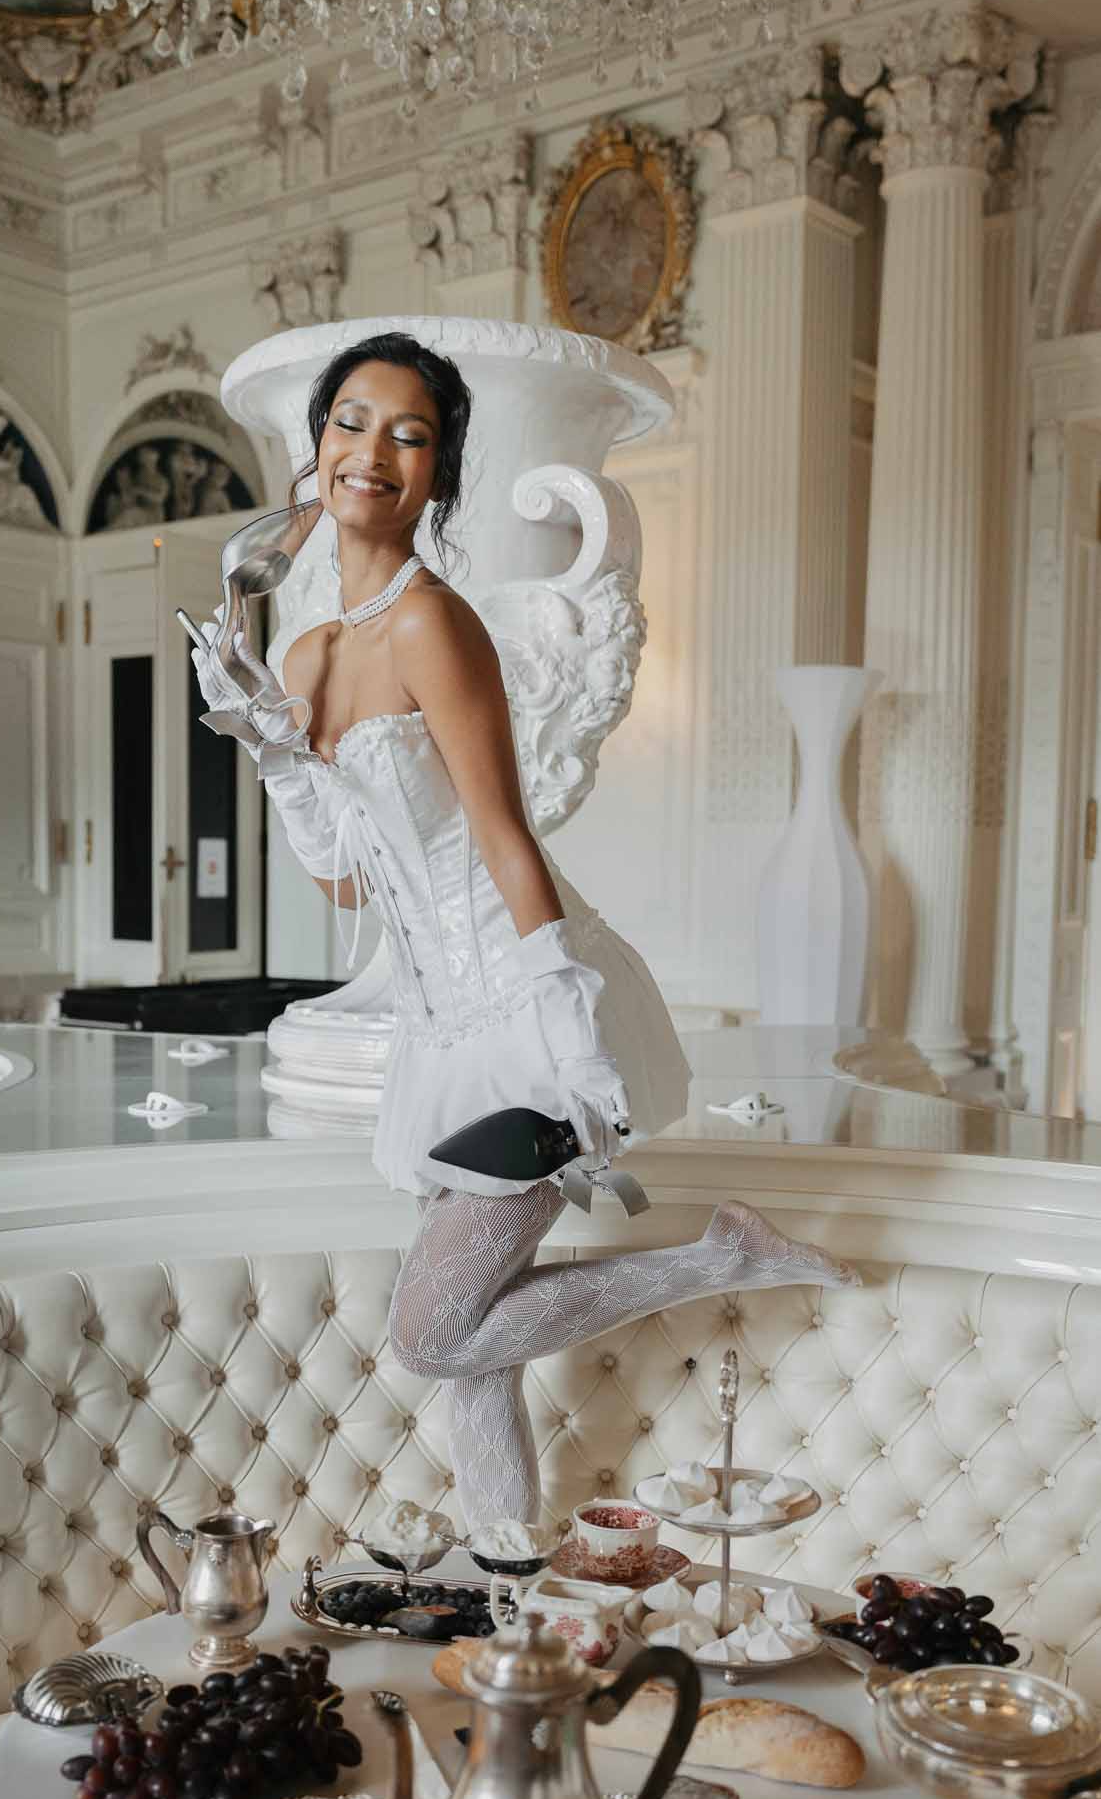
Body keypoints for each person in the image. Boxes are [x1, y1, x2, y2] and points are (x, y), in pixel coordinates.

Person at [193, 330, 859, 1531]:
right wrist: (273, 751)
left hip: (525, 1003)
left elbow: (504, 836)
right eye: (352, 421)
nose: (374, 451)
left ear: (439, 475)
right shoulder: (305, 651)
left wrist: (570, 1033)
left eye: (412, 434)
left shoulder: (434, 624)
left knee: (429, 1327)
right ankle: (506, 1564)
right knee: (474, 1335)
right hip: (437, 1032)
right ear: (317, 448)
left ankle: (726, 1255)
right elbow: (345, 882)